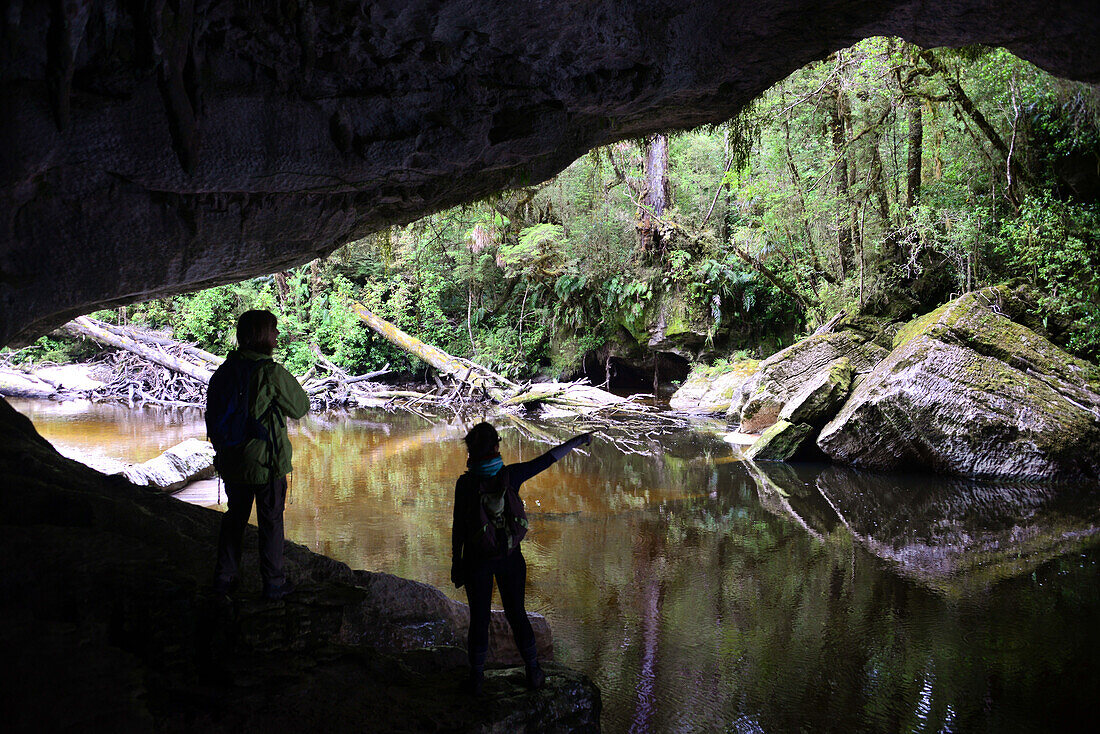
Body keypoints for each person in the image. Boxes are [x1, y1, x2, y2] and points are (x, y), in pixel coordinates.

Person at [451, 422, 593, 694]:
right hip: (510, 558)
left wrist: (456, 564)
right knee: (517, 614)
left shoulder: (465, 484)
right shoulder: (511, 475)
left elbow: (458, 528)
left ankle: (477, 679)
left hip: (475, 562)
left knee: (479, 618)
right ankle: (534, 672)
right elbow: (548, 459)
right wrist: (578, 440)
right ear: (496, 448)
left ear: (470, 452)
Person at [208, 310, 309, 600]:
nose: (277, 335)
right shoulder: (270, 372)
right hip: (266, 463)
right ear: (263, 334)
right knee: (271, 521)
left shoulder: (225, 370)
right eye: (274, 330)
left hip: (232, 459)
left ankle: (224, 578)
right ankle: (274, 583)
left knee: (235, 518)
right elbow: (300, 407)